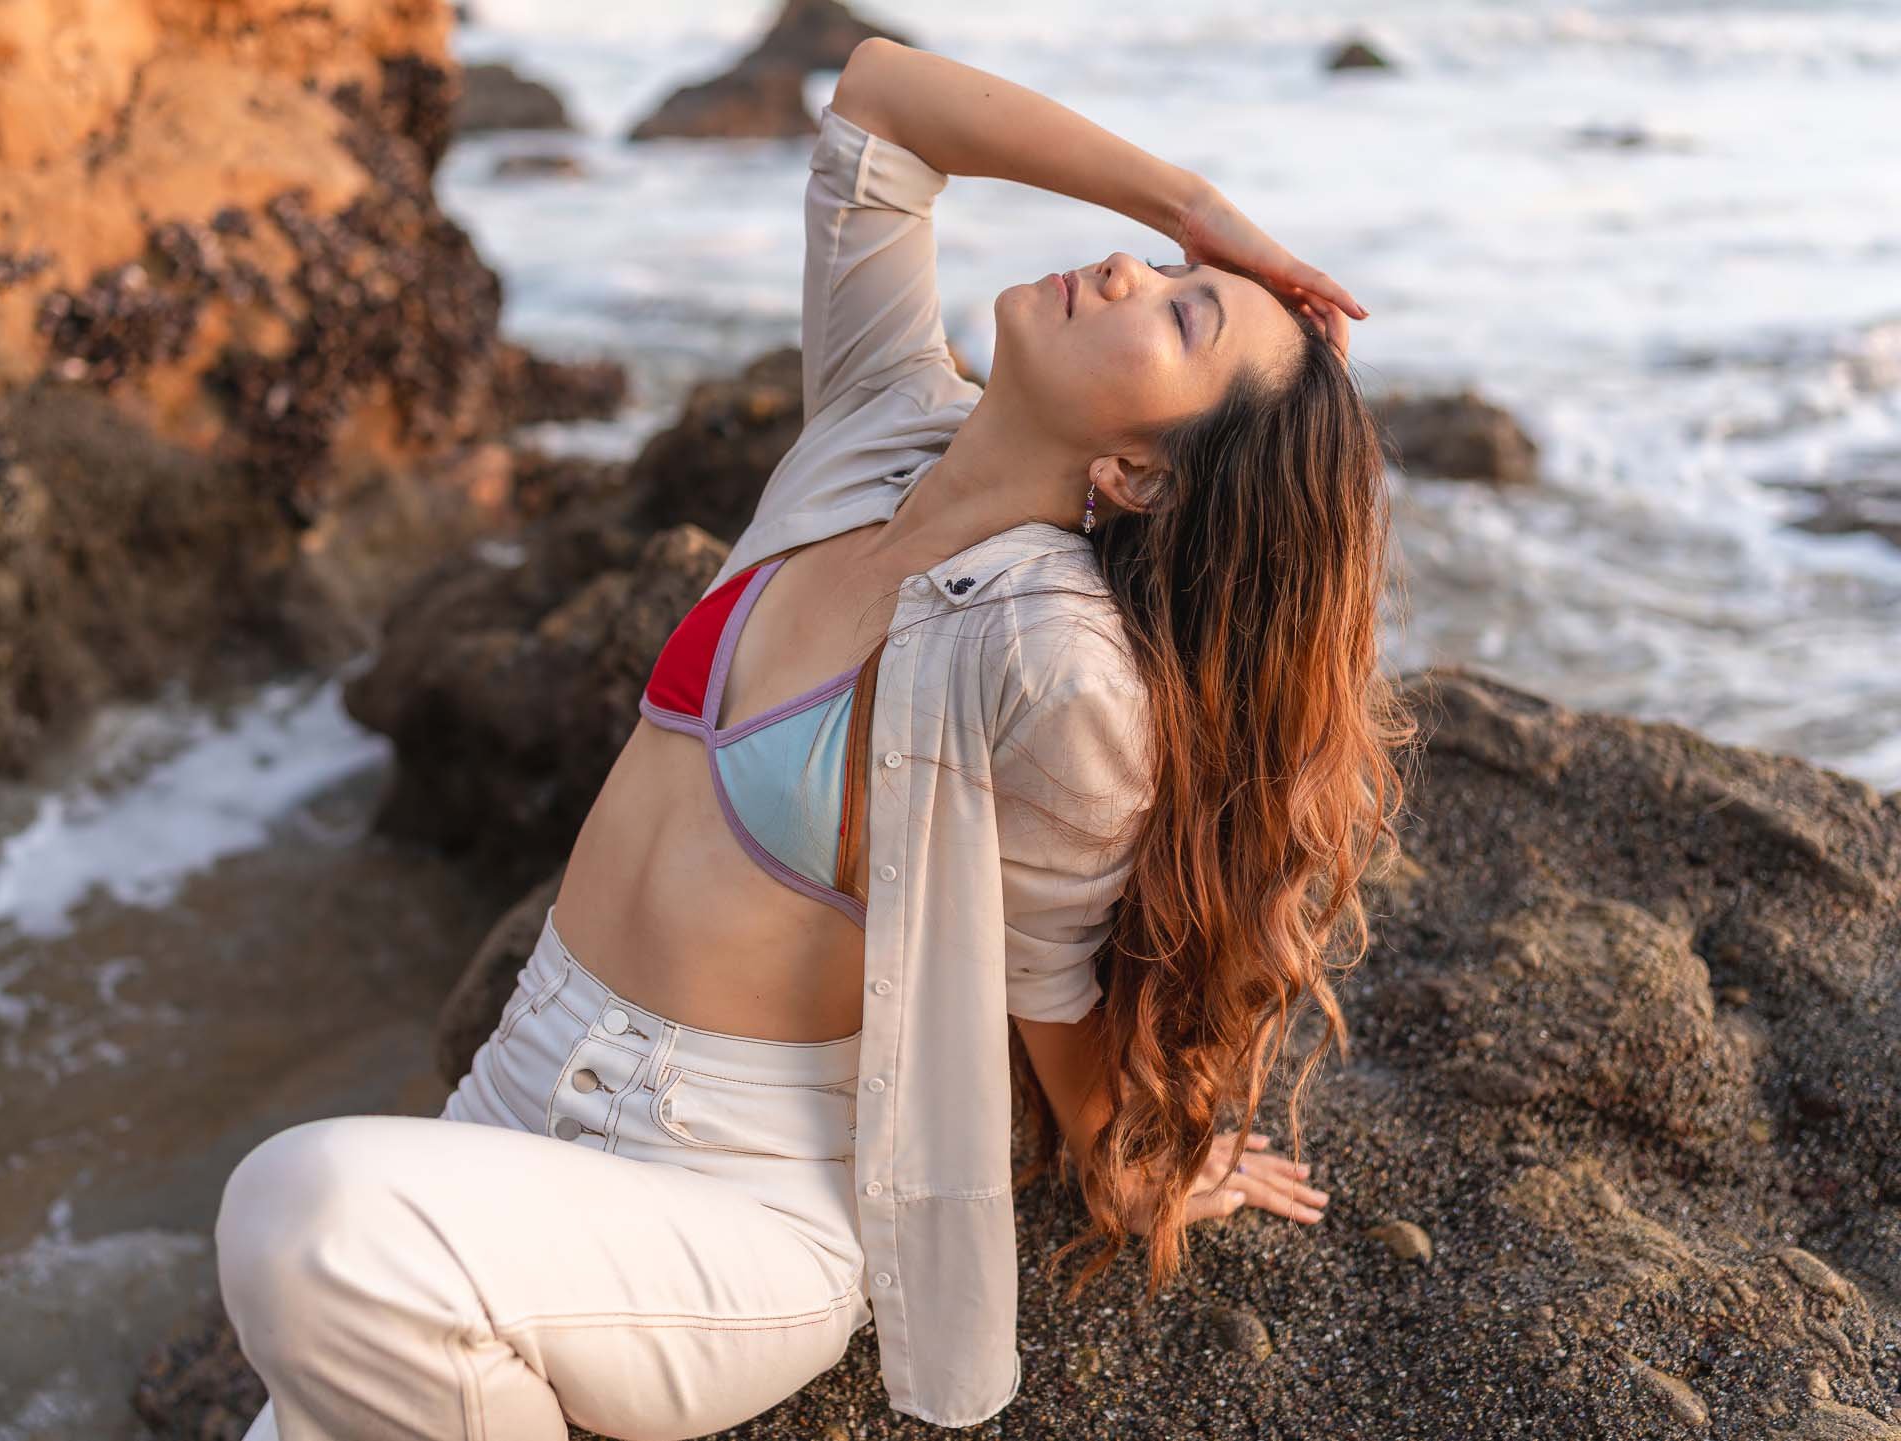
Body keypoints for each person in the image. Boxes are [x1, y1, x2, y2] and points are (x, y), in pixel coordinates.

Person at [214, 34, 1409, 1440]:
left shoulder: (1053, 655)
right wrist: (1192, 202)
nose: (1132, 270)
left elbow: (1052, 978)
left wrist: (1135, 1163)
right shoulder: (882, 422)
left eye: (1185, 318)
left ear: (1137, 472)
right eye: (1164, 263)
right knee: (323, 1324)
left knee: (305, 1219)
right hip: (515, 1102)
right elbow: (881, 103)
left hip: (731, 1195)